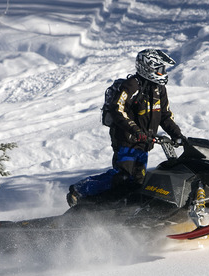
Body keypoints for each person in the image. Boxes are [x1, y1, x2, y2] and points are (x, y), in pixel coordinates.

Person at [67, 49, 185, 207]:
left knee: (137, 182)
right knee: (122, 176)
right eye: (160, 69)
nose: (163, 73)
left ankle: (121, 211)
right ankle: (80, 189)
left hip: (144, 143)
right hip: (126, 140)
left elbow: (165, 115)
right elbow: (118, 109)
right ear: (148, 68)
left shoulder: (159, 89)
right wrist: (135, 131)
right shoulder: (131, 85)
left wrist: (177, 135)